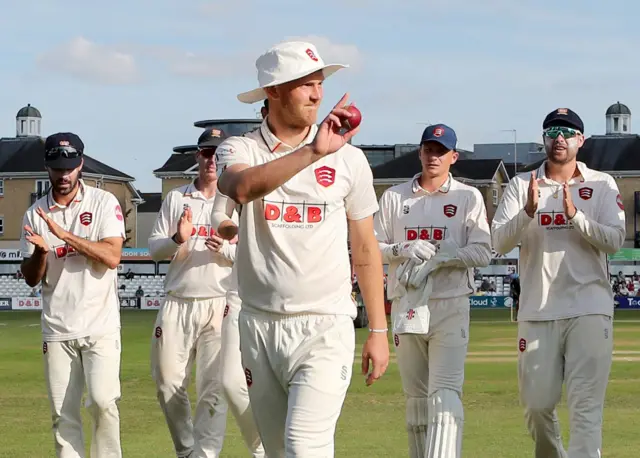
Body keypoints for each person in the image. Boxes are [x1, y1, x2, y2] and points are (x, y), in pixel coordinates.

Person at [212, 40, 390, 456]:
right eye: (305, 85)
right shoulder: (239, 149)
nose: (317, 94)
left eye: (320, 83)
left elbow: (364, 247)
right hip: (258, 326)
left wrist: (379, 331)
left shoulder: (350, 160)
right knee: (275, 450)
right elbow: (241, 187)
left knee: (304, 447)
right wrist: (313, 153)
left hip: (325, 324)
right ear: (272, 91)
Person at [492, 108, 625, 458]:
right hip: (537, 310)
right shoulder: (522, 185)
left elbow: (614, 240)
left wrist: (575, 217)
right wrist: (527, 213)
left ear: (580, 140)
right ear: (544, 139)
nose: (559, 138)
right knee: (536, 406)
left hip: (589, 307)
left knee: (585, 408)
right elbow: (498, 242)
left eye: (567, 132)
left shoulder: (601, 184)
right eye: (552, 131)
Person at [374, 124, 492, 458]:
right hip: (407, 303)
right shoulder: (395, 197)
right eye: (429, 149)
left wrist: (446, 256)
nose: (433, 156)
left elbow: (483, 252)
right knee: (416, 400)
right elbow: (373, 248)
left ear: (453, 157)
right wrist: (403, 247)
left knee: (445, 395)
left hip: (450, 304)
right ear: (420, 152)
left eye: (441, 151)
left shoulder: (468, 197)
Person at [20, 132, 125, 458]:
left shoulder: (103, 202)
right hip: (58, 327)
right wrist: (40, 253)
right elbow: (31, 279)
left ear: (80, 164)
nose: (62, 176)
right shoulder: (34, 214)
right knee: (62, 417)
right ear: (47, 168)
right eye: (55, 168)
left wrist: (64, 236)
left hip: (100, 325)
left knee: (104, 403)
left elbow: (111, 257)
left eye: (69, 168)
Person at [148, 127, 235, 458]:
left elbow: (249, 256)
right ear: (197, 156)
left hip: (219, 302)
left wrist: (225, 250)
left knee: (214, 388)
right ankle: (187, 450)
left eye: (217, 154)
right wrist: (177, 239)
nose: (211, 159)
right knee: (168, 383)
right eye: (206, 153)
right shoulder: (176, 197)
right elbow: (155, 249)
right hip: (178, 301)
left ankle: (206, 454)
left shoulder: (235, 202)